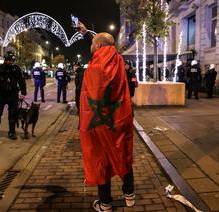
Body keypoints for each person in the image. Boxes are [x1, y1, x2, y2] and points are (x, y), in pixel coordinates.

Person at [77, 22, 135, 212]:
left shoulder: (96, 65)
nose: (91, 48)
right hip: (121, 117)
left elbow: (92, 94)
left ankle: (105, 204)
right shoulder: (119, 60)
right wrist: (86, 33)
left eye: (92, 45)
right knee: (122, 151)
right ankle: (129, 195)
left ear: (99, 47)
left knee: (101, 159)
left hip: (100, 121)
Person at [0, 51, 26, 145]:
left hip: (12, 95)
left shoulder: (16, 69)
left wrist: (23, 92)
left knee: (13, 115)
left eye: (12, 60)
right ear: (5, 59)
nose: (10, 62)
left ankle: (12, 132)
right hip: (0, 95)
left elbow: (21, 81)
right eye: (8, 60)